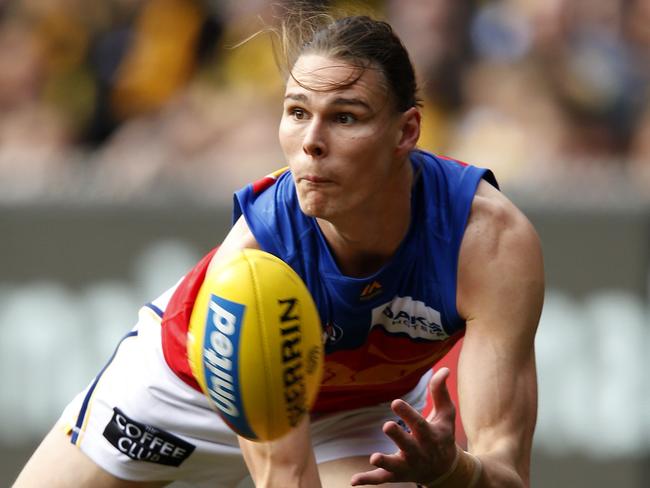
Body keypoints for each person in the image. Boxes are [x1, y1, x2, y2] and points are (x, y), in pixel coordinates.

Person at [13, 7, 543, 488]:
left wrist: (454, 470)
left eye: (345, 116)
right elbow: (285, 477)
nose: (311, 141)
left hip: (352, 414)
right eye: (296, 112)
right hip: (179, 395)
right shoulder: (257, 257)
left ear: (406, 132)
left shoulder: (489, 242)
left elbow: (506, 473)